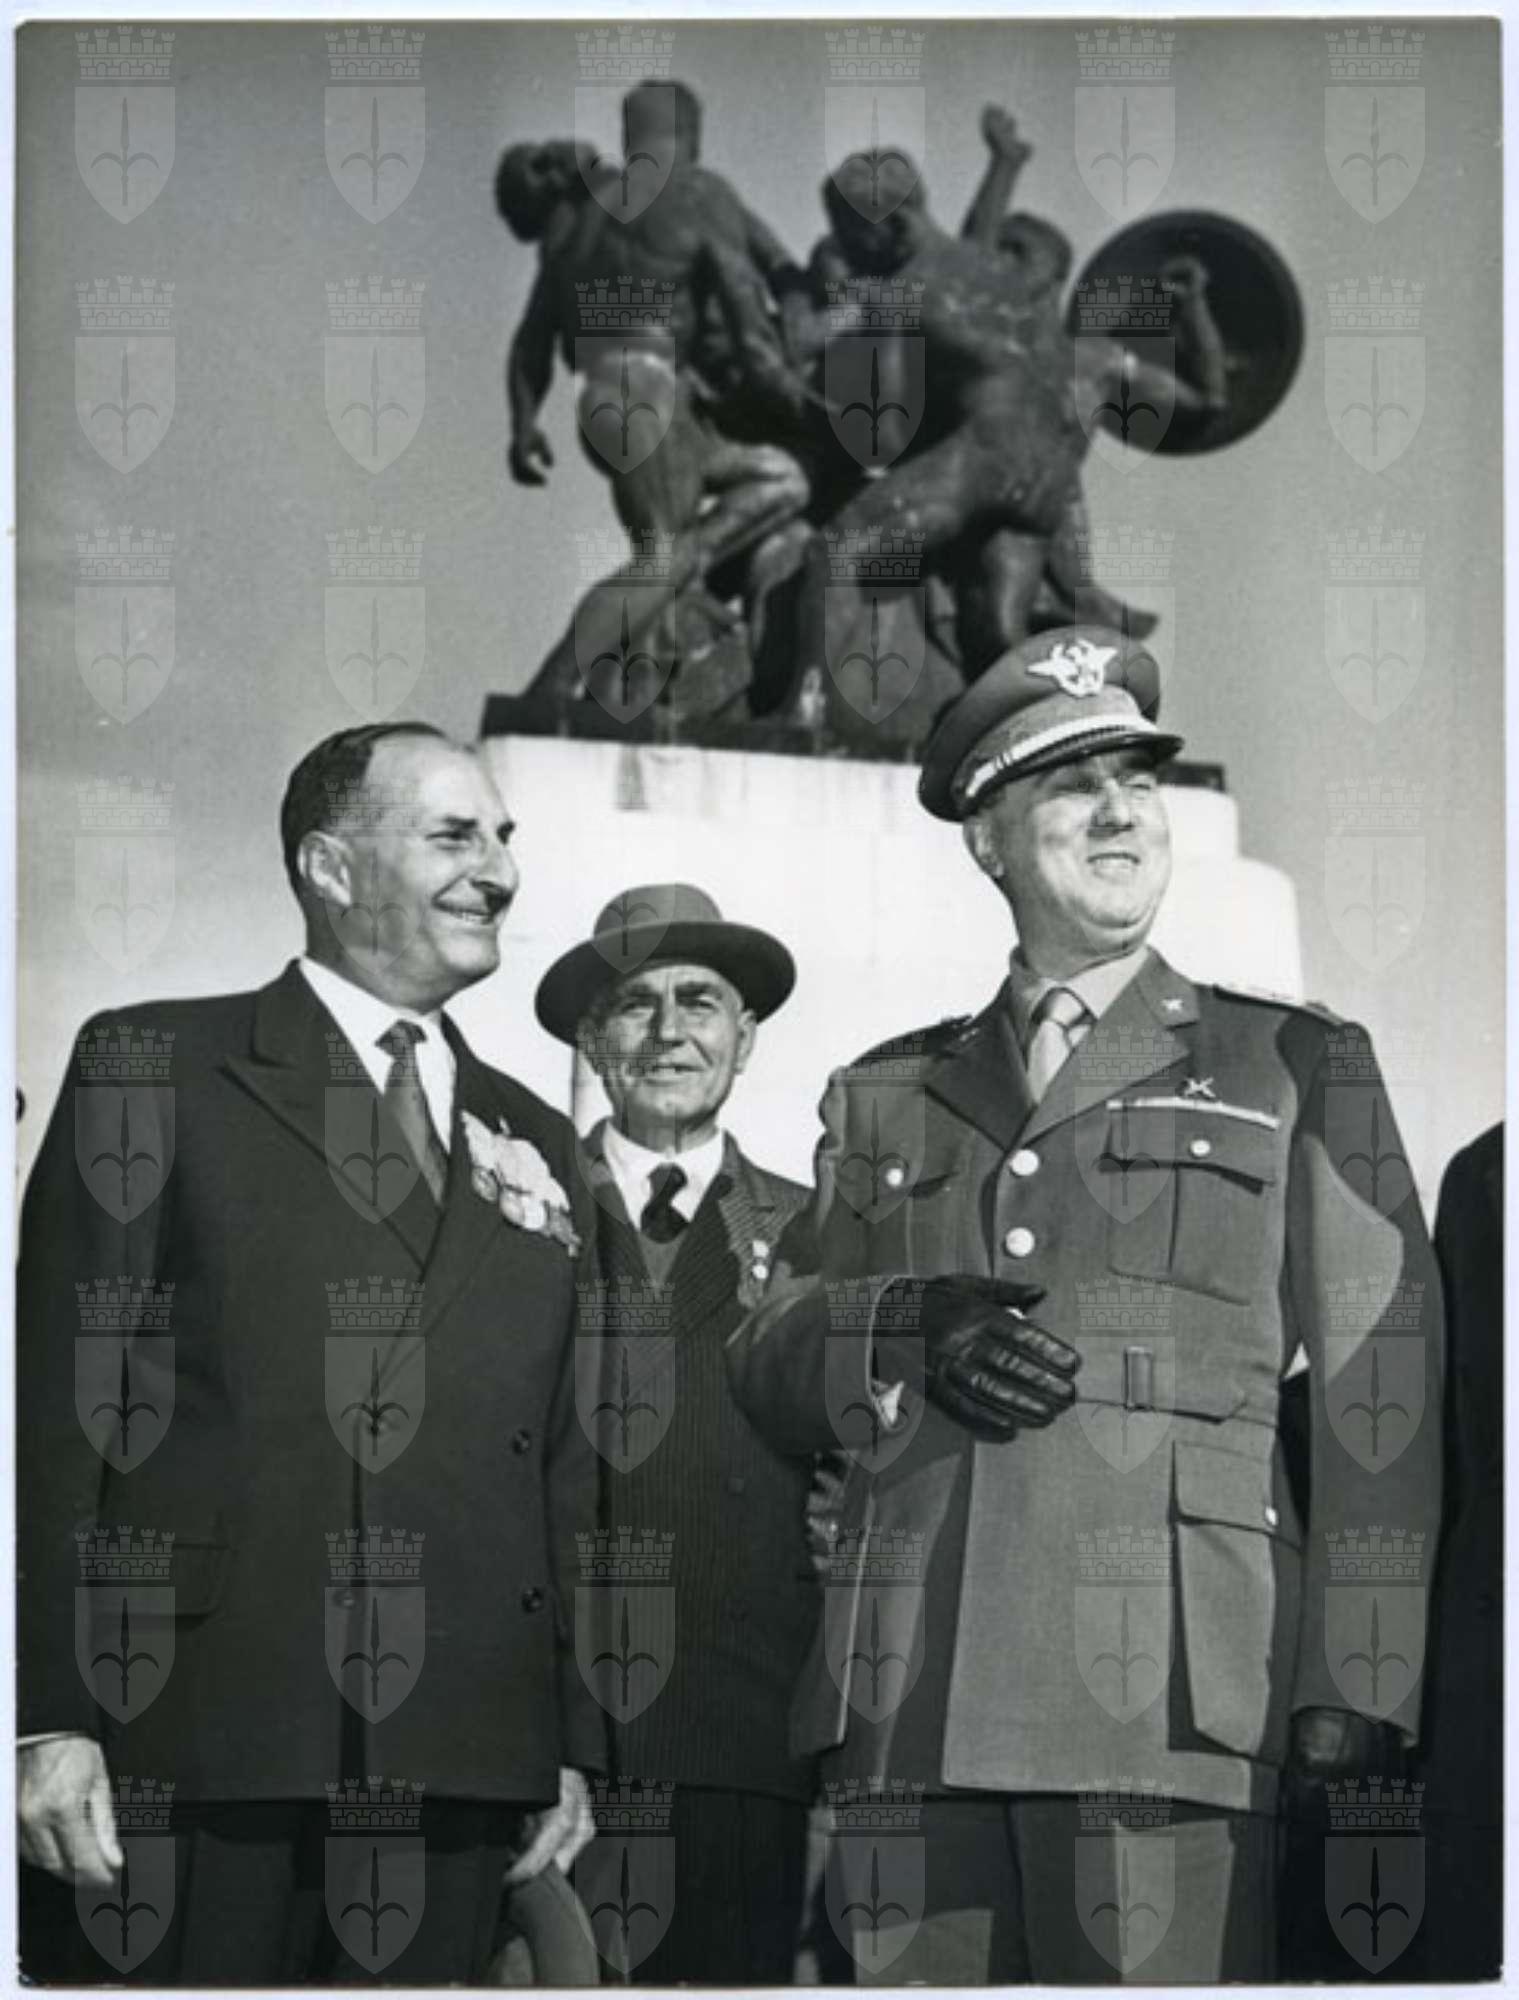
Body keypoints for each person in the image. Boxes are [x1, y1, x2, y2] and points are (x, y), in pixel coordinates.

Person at [727, 627, 1444, 1982]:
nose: (1119, 812)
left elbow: (1379, 1395)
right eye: (1071, 786)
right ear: (986, 840)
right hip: (909, 1709)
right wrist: (897, 1321)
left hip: (1167, 1704)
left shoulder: (1294, 1062)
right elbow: (763, 1357)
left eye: (1137, 780)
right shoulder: (885, 1092)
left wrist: (1356, 1677)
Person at [18, 723, 604, 1983]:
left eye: (504, 839)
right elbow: (57, 1413)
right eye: (453, 835)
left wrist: (568, 1736)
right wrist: (44, 1713)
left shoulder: (541, 1138)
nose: (498, 871)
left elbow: (564, 1460)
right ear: (330, 867)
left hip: (463, 1749)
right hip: (201, 1733)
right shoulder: (156, 1065)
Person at [535, 883, 827, 1982]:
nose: (668, 1032)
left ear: (744, 1037)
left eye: (698, 1002)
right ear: (590, 1038)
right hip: (534, 1734)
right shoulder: (512, 1208)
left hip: (735, 1732)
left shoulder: (814, 1232)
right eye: (634, 1003)